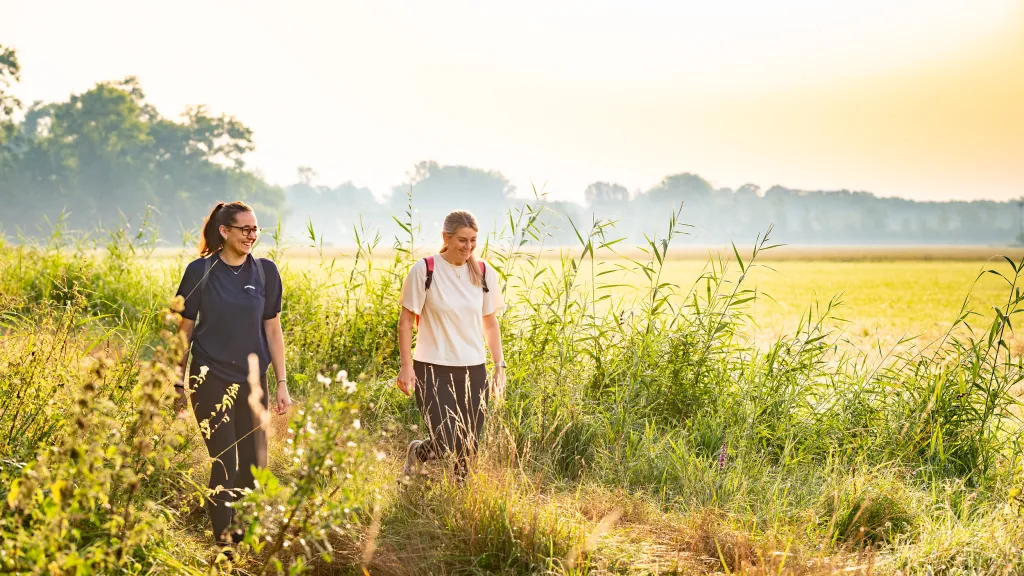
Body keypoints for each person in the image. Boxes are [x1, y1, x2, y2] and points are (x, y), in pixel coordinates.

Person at [173, 200, 292, 546]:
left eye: (256, 229)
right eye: (245, 229)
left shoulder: (266, 271)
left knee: (255, 467)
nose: (252, 235)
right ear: (224, 231)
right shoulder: (200, 272)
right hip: (210, 380)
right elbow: (185, 331)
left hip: (253, 384)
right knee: (224, 463)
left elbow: (273, 329)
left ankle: (237, 533)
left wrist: (281, 382)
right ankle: (225, 547)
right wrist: (178, 381)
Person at [396, 209, 506, 480]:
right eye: (462, 240)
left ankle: (459, 501)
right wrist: (406, 366)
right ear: (446, 237)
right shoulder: (425, 269)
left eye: (473, 240)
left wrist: (499, 365)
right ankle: (417, 452)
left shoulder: (483, 272)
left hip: (473, 369)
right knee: (444, 439)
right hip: (432, 367)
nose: (468, 246)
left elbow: (490, 323)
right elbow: (406, 322)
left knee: (468, 445)